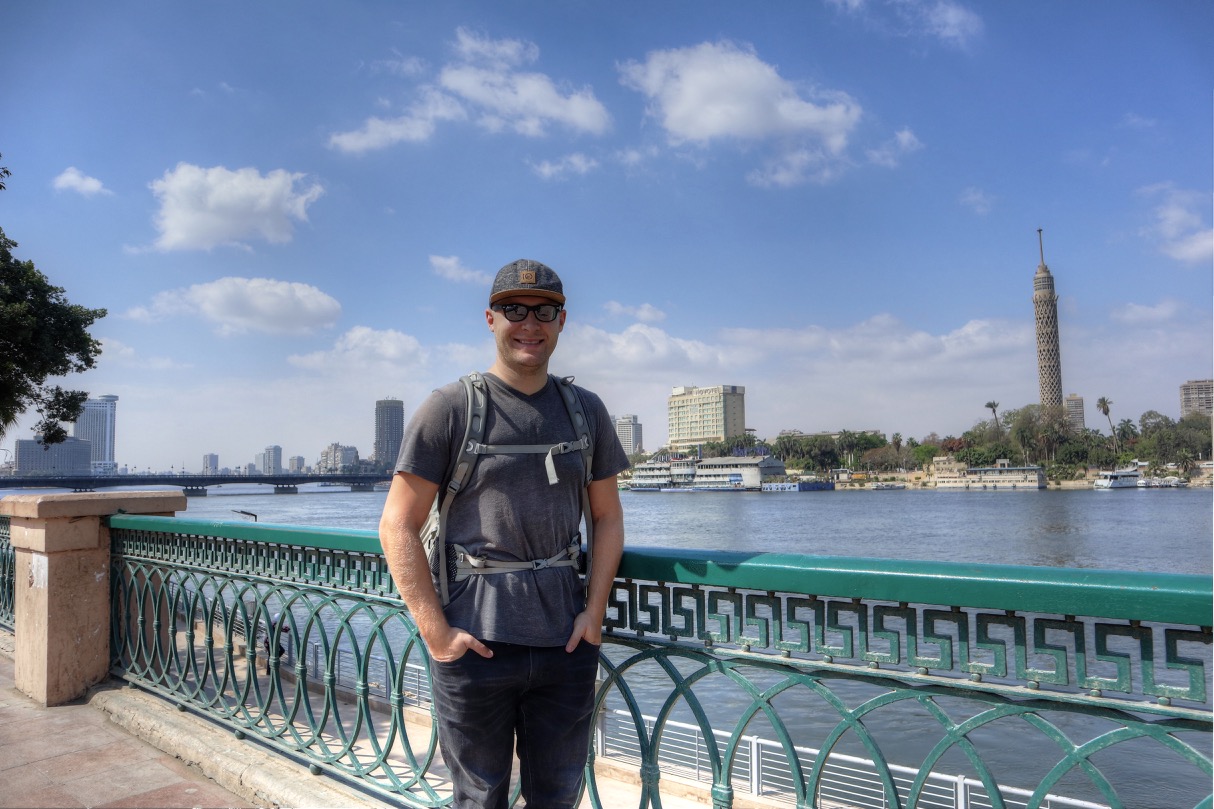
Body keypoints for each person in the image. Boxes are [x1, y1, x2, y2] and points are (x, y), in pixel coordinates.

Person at [379, 259, 629, 809]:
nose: (529, 324)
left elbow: (607, 517)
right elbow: (397, 523)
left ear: (562, 322)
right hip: (474, 646)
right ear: (490, 319)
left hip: (565, 644)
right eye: (514, 310)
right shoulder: (450, 408)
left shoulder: (586, 411)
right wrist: (437, 635)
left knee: (557, 798)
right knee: (479, 799)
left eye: (545, 312)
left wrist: (594, 613)